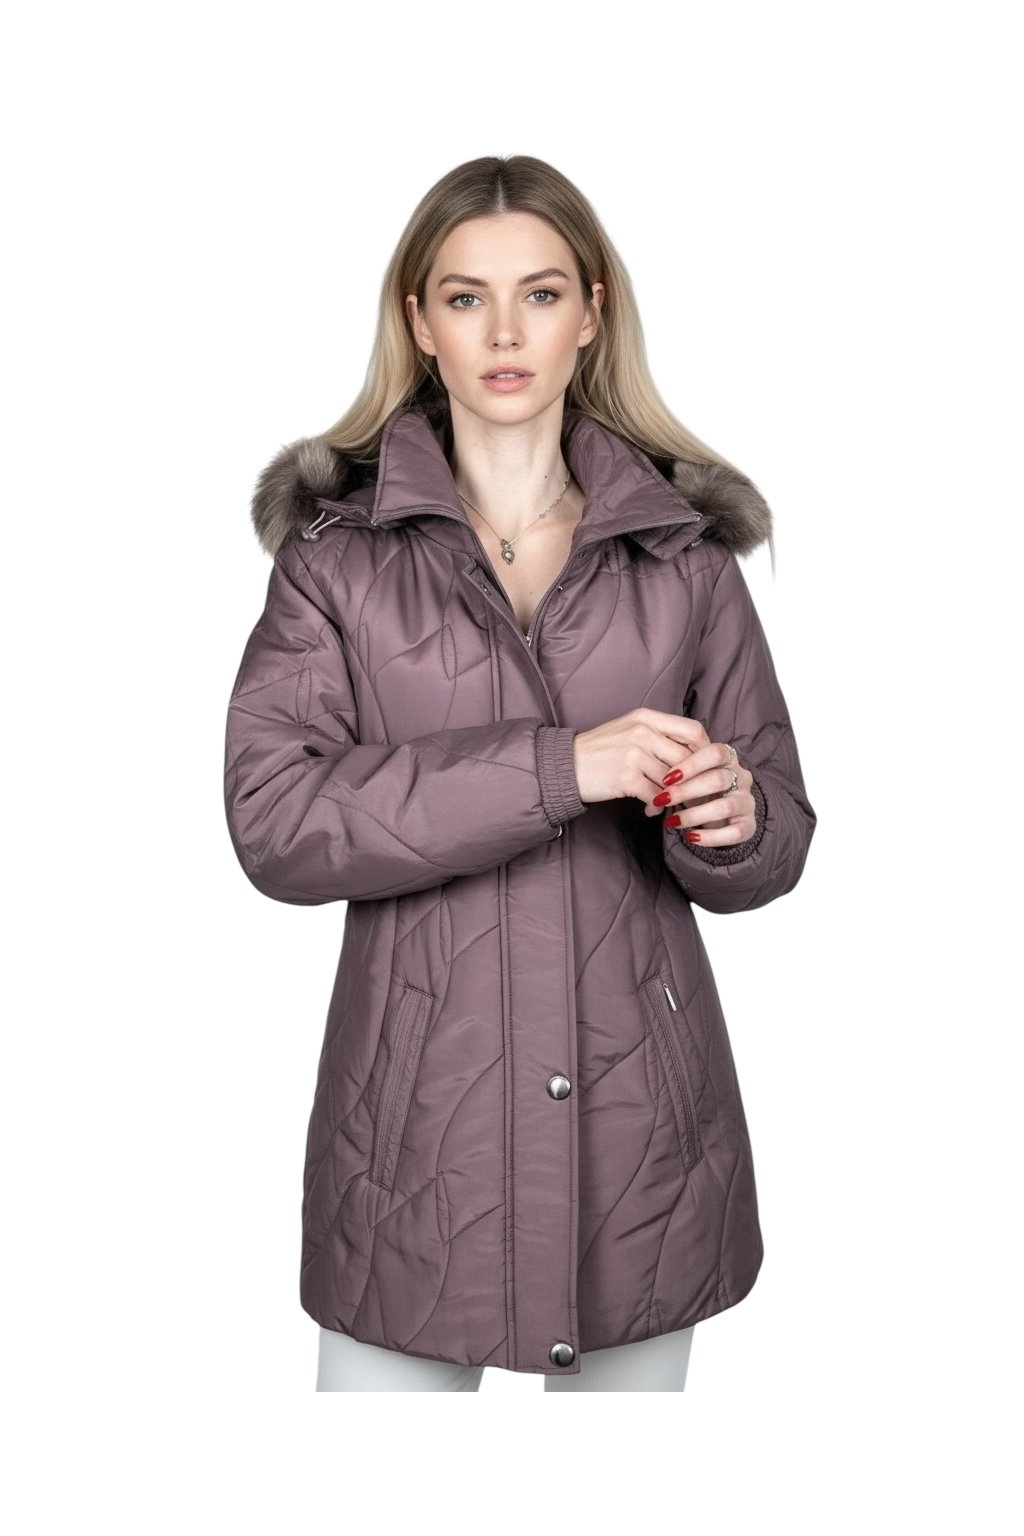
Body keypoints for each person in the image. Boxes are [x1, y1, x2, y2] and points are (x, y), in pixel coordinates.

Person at [223, 154, 816, 1393]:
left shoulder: (683, 560)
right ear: (418, 322)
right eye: (466, 297)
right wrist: (561, 767)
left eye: (540, 295)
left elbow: (774, 839)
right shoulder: (337, 560)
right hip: (412, 1136)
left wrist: (733, 818)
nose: (504, 333)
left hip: (638, 1133)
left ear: (590, 315)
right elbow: (277, 822)